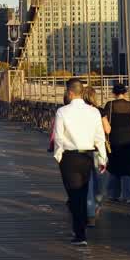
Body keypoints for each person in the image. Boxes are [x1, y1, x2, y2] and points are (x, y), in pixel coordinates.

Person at [50, 77, 107, 246]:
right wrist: (103, 158)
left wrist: (58, 156)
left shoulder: (62, 112)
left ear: (69, 92)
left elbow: (59, 138)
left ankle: (80, 234)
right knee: (82, 192)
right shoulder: (94, 112)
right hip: (88, 156)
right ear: (81, 92)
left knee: (74, 195)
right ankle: (81, 227)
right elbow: (99, 138)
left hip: (69, 157)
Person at [101, 82, 130, 203]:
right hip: (129, 140)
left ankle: (113, 194)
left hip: (114, 140)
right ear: (125, 92)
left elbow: (104, 121)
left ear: (113, 93)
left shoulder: (110, 105)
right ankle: (129, 196)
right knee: (128, 168)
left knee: (114, 167)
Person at [82, 83, 104, 226]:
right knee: (98, 182)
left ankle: (90, 213)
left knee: (89, 182)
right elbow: (106, 131)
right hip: (97, 150)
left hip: (84, 150)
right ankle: (95, 207)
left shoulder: (79, 112)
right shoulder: (99, 111)